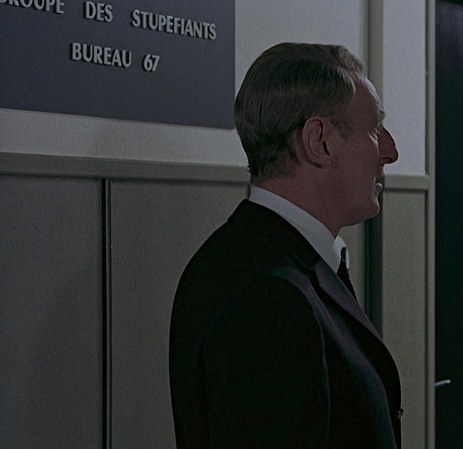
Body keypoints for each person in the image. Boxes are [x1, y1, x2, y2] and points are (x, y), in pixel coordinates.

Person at [169, 43, 402, 448]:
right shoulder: (270, 298)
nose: (390, 152)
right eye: (373, 129)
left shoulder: (252, 259)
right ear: (319, 141)